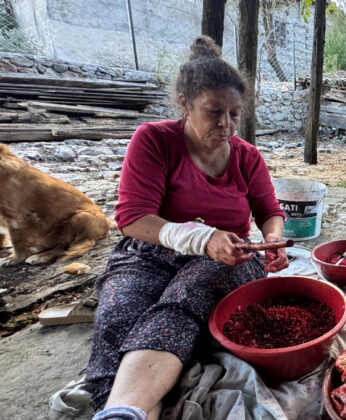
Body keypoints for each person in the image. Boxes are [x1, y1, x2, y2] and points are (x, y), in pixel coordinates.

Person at [86, 36, 287, 420]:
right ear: (184, 103)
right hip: (149, 253)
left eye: (234, 113)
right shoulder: (155, 141)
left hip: (229, 256)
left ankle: (125, 410)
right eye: (213, 112)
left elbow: (268, 209)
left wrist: (272, 238)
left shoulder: (247, 157)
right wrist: (198, 237)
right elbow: (131, 218)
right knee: (117, 316)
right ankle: (118, 410)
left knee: (184, 301)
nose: (226, 124)